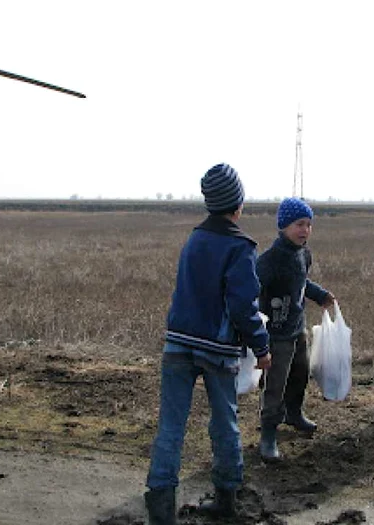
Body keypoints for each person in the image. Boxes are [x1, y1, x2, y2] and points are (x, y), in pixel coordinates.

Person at [144, 163, 272, 525]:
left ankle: (161, 510)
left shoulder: (194, 239)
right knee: (224, 424)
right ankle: (227, 501)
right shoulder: (240, 246)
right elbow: (244, 307)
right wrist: (262, 348)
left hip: (177, 346)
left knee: (170, 427)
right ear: (238, 202)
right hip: (217, 350)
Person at [256, 197, 335, 461]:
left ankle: (294, 413)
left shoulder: (304, 254)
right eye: (299, 224)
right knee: (274, 385)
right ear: (283, 226)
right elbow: (252, 289)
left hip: (296, 328)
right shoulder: (269, 259)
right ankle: (268, 432)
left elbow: (302, 282)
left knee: (300, 373)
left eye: (309, 224)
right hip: (275, 334)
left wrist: (320, 295)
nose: (305, 230)